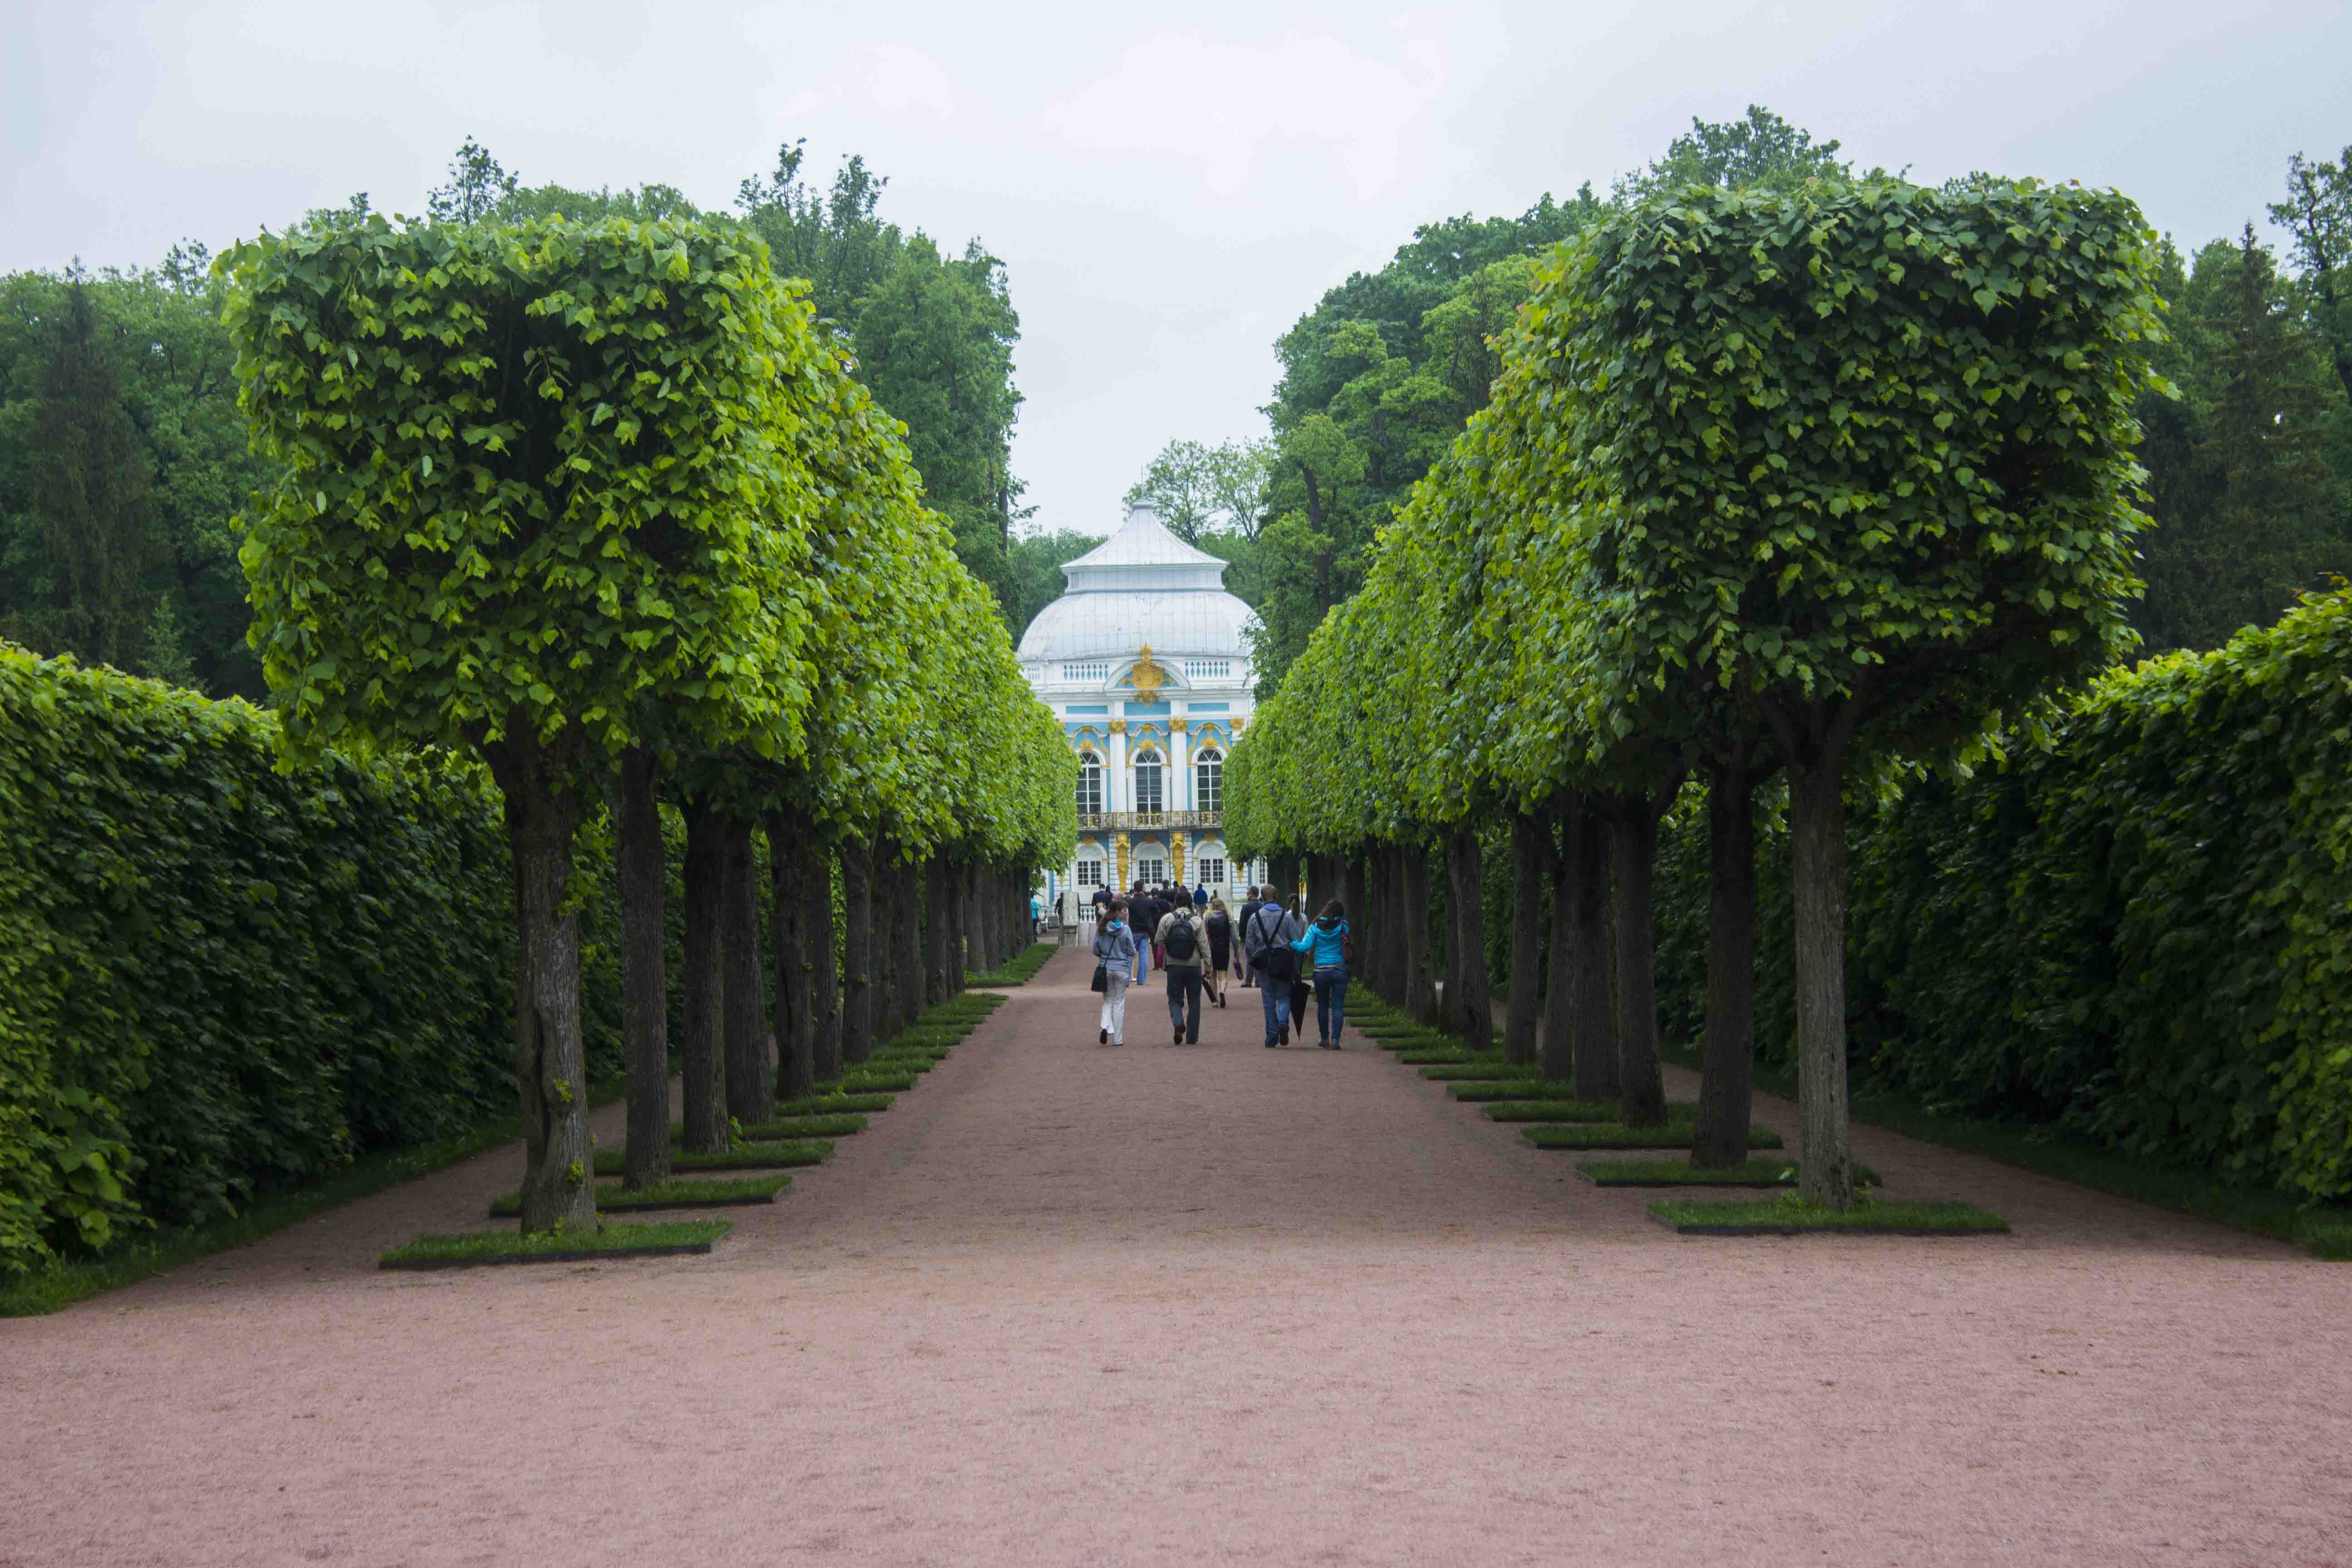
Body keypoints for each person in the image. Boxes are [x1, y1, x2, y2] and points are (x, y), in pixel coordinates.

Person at [1291, 899, 1355, 1048]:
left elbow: (1304, 947)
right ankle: (1336, 1040)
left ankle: (1325, 1038)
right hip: (1340, 970)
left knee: (1323, 1006)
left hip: (1321, 971)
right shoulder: (1343, 925)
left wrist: (1291, 943)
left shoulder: (1315, 927)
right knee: (1338, 1006)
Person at [1244, 892, 1303, 1047]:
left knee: (1268, 1000)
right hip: (1284, 961)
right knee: (1284, 996)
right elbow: (1297, 942)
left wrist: (1255, 960)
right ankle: (1283, 1021)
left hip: (1264, 963)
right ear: (1276, 897)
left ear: (1263, 897)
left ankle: (1272, 1035)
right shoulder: (1287, 917)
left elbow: (1249, 944)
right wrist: (1296, 965)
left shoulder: (1255, 918)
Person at [1156, 890, 1210, 1044]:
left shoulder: (1167, 918)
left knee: (1174, 999)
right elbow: (1204, 946)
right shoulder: (1197, 921)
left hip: (1174, 964)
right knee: (1194, 1001)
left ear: (1176, 902)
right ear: (1190, 903)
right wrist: (1208, 965)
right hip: (1194, 965)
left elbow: (1158, 940)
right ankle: (1192, 1037)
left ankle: (1179, 1022)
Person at [1091, 898, 1141, 1046]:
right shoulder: (1126, 930)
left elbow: (1096, 950)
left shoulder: (1101, 928)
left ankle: (1105, 1026)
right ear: (1117, 912)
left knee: (1108, 1001)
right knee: (1119, 1003)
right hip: (1122, 969)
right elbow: (1132, 951)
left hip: (1106, 968)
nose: (1127, 913)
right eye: (1125, 910)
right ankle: (1118, 1039)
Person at [1203, 897, 1234, 1008]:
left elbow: (1204, 935)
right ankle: (1222, 992)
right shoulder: (1228, 918)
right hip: (1224, 948)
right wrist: (1236, 951)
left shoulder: (1207, 918)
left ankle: (1215, 1000)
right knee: (1223, 975)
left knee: (1212, 975)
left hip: (1211, 949)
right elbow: (1234, 937)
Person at [1236, 886, 1262, 988]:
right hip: (1261, 935)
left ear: (1252, 894)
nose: (1247, 895)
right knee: (1260, 956)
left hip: (1249, 936)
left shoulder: (1246, 907)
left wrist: (1242, 937)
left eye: (1248, 894)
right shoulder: (1262, 905)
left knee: (1249, 958)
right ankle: (1259, 981)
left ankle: (1248, 981)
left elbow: (1242, 924)